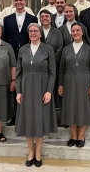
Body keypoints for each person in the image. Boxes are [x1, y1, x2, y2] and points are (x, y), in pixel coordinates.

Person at [15, 23, 57, 167]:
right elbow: (18, 74)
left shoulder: (48, 49)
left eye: (35, 31)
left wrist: (49, 91)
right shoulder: (22, 49)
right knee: (28, 121)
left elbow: (53, 73)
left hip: (42, 88)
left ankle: (38, 153)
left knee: (39, 121)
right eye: (31, 31)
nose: (33, 33)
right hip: (26, 88)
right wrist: (18, 91)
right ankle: (30, 152)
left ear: (40, 33)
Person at [58, 22, 90, 148]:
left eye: (78, 30)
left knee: (84, 107)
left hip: (85, 80)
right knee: (71, 108)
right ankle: (73, 135)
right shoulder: (66, 49)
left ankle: (81, 135)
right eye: (73, 31)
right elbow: (61, 69)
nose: (75, 33)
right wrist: (60, 84)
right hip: (68, 80)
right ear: (71, 33)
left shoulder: (88, 49)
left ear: (82, 32)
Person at [3, 0, 38, 126]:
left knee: (27, 84)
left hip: (28, 54)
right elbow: (5, 38)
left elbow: (34, 36)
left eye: (21, 0)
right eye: (16, 0)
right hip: (12, 55)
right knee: (13, 84)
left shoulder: (32, 19)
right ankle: (14, 115)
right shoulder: (7, 19)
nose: (18, 2)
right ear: (13, 2)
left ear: (25, 2)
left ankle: (27, 114)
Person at [39, 9, 63, 108]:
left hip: (54, 65)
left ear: (51, 18)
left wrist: (50, 62)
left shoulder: (57, 32)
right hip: (39, 66)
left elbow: (59, 48)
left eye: (47, 16)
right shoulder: (37, 30)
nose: (45, 18)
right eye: (42, 17)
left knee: (52, 88)